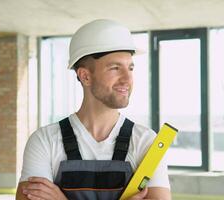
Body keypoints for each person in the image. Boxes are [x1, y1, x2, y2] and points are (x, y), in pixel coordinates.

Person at [16, 19, 171, 200]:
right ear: (85, 76)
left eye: (130, 68)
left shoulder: (146, 142)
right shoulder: (44, 142)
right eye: (115, 68)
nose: (127, 79)